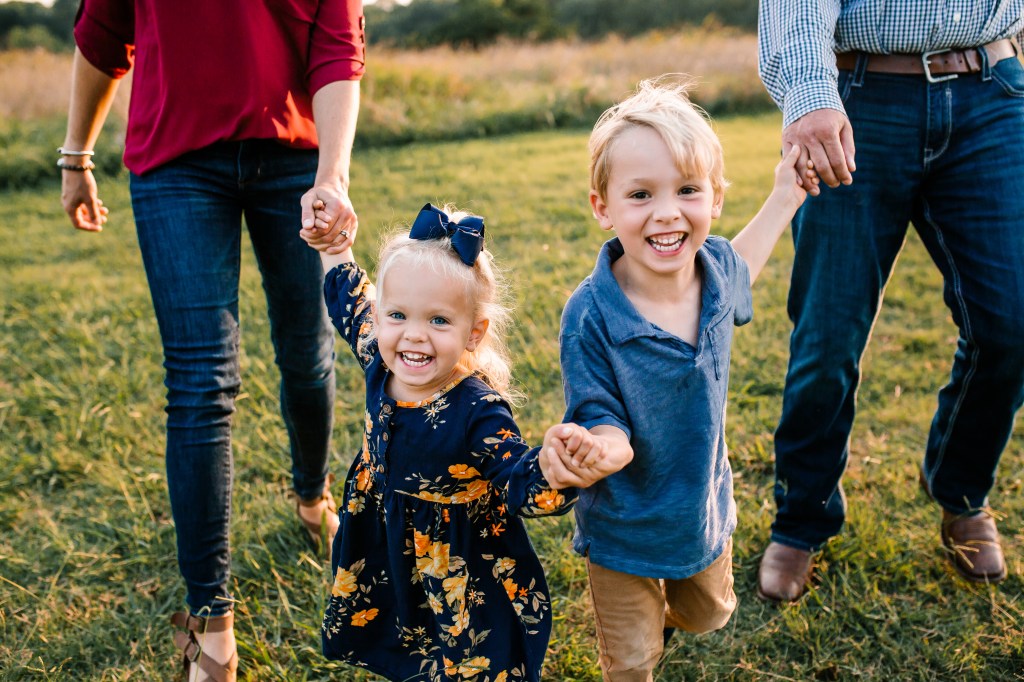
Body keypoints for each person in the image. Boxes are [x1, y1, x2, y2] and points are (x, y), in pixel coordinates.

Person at [59, 1, 365, 678]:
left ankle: (311, 497)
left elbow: (337, 51)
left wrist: (331, 178)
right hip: (175, 167)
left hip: (294, 161)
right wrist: (75, 154)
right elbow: (104, 36)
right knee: (201, 382)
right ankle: (212, 622)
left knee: (308, 357)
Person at [756, 1, 1024, 603]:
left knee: (1014, 324)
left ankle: (960, 491)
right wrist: (808, 93)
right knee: (827, 336)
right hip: (856, 98)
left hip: (995, 91)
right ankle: (803, 517)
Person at [299, 202, 621, 681]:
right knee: (402, 636)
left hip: (459, 560)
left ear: (474, 334)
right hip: (387, 539)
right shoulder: (378, 354)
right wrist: (335, 247)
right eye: (399, 315)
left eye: (438, 321)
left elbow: (519, 478)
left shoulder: (477, 410)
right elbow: (350, 303)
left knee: (467, 657)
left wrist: (557, 467)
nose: (413, 335)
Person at [559, 76, 808, 681]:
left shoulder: (716, 272)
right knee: (631, 664)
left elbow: (744, 264)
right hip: (621, 526)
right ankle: (640, 647)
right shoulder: (590, 312)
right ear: (603, 208)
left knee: (708, 615)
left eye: (688, 190)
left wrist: (786, 196)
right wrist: (601, 446)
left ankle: (671, 617)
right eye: (640, 195)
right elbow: (596, 407)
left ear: (715, 199)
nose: (667, 212)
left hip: (698, 511)